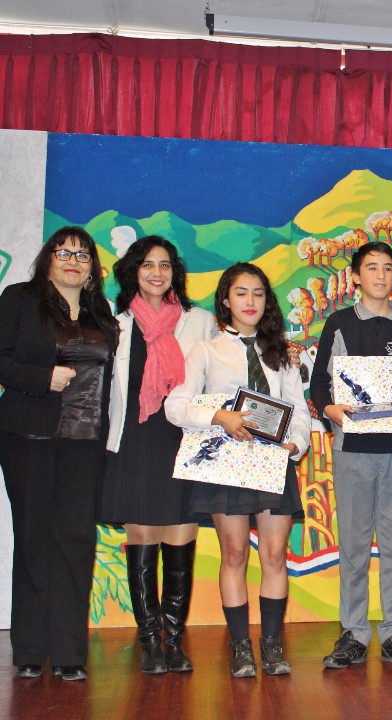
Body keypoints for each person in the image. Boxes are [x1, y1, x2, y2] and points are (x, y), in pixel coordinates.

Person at [165, 263, 310, 678]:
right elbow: (175, 406)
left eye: (258, 293)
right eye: (241, 293)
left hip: (274, 463)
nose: (250, 301)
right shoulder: (206, 351)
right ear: (225, 300)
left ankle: (271, 644)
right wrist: (220, 417)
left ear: (267, 301)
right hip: (227, 463)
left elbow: (297, 410)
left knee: (276, 555)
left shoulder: (281, 352)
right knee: (234, 554)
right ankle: (241, 647)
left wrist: (295, 444)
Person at [0, 227, 118, 681]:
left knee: (75, 541)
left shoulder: (99, 310)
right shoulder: (19, 299)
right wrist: (40, 377)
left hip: (85, 442)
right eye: (64, 252)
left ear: (92, 269)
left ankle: (70, 652)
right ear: (47, 258)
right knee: (33, 539)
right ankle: (30, 648)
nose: (73, 260)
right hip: (29, 435)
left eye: (83, 255)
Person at [309, 242, 392, 669]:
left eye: (388, 268)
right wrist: (330, 410)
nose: (380, 276)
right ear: (356, 277)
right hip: (352, 447)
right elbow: (320, 384)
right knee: (355, 544)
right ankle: (354, 632)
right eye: (371, 268)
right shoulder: (340, 323)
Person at [100, 236, 217, 675]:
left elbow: (216, 378)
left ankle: (174, 638)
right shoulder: (114, 322)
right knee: (144, 538)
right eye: (147, 264)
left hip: (183, 440)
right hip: (134, 438)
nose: (156, 272)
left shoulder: (198, 321)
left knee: (180, 538)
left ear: (175, 273)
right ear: (133, 270)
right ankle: (150, 639)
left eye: (165, 265)